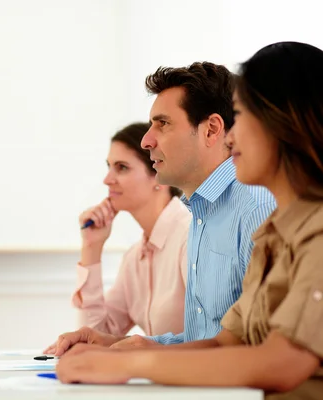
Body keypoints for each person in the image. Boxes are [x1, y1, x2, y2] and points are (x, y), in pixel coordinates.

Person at [55, 40, 323, 399]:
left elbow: (281, 362)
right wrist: (127, 349)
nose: (232, 134)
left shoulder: (285, 219)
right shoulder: (275, 230)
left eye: (240, 116)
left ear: (283, 122)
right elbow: (225, 341)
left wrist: (128, 364)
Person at [47, 61, 276, 356]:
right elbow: (209, 340)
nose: (147, 140)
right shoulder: (202, 214)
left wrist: (145, 354)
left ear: (211, 130)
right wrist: (136, 345)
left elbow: (265, 349)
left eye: (163, 123)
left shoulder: (256, 208)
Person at [43, 123, 190, 355]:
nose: (107, 179)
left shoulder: (189, 236)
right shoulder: (135, 257)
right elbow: (93, 335)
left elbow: (211, 337)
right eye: (109, 167)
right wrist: (91, 247)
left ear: (159, 176)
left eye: (121, 168)